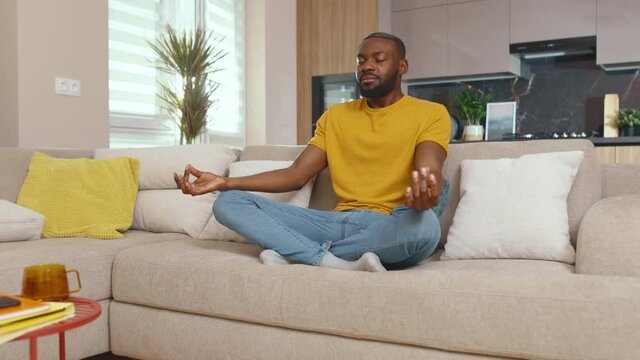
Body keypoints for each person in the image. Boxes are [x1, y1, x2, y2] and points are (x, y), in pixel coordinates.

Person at [174, 32, 451, 272]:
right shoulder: (336, 116)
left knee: (425, 228)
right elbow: (296, 174)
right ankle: (328, 259)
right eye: (361, 60)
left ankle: (296, 253)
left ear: (402, 66)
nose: (367, 66)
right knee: (228, 203)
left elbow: (430, 169)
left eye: (378, 59)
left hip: (390, 224)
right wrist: (226, 182)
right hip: (332, 221)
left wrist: (428, 188)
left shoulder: (430, 113)